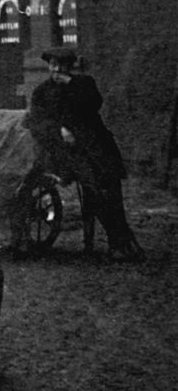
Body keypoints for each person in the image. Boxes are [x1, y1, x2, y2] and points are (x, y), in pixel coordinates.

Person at [19, 47, 145, 261]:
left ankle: (121, 241)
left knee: (109, 185)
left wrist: (70, 83)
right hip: (62, 151)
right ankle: (119, 241)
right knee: (94, 186)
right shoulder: (42, 91)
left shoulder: (84, 84)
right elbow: (36, 121)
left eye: (62, 66)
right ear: (48, 66)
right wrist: (60, 130)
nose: (57, 69)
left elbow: (94, 105)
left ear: (70, 67)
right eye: (53, 65)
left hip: (96, 146)